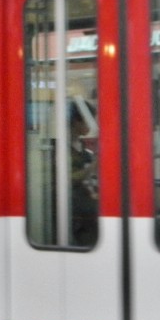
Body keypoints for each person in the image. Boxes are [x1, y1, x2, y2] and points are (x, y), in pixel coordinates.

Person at [68, 102, 98, 246]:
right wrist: (92, 167)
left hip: (79, 193)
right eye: (89, 120)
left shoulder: (79, 144)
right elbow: (68, 179)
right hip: (68, 199)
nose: (91, 125)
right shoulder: (63, 145)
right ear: (76, 121)